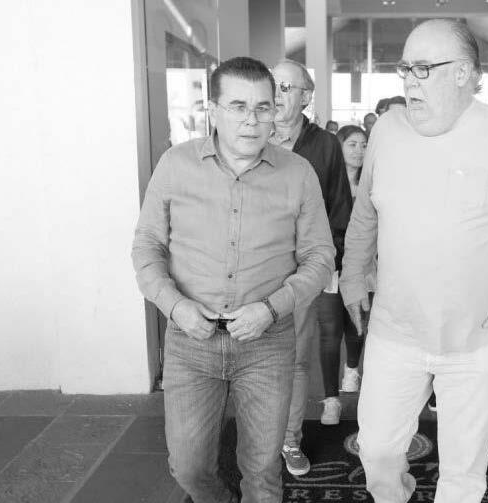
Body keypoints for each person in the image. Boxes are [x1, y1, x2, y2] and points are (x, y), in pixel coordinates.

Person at [340, 19, 488, 503]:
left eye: (423, 68)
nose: (409, 81)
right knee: (377, 451)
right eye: (405, 68)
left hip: (475, 341)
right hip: (394, 332)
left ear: (464, 73)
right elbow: (365, 213)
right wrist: (353, 278)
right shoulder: (388, 129)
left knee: (464, 474)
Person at [131, 56, 335, 502]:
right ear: (213, 110)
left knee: (262, 471)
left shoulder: (298, 173)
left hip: (267, 342)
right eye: (238, 107)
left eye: (263, 107)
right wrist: (175, 306)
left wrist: (271, 309)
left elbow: (320, 258)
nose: (252, 120)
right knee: (187, 467)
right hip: (191, 341)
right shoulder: (176, 165)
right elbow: (147, 247)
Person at [270, 59, 354, 477]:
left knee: (296, 359)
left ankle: (289, 440)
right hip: (254, 269)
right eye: (273, 84)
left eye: (287, 87)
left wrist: (327, 264)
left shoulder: (324, 145)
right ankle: (258, 439)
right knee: (255, 360)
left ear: (306, 97)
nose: (277, 94)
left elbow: (340, 207)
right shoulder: (251, 135)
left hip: (302, 272)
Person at [315, 125, 376, 425]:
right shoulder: (325, 184)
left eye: (364, 144)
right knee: (329, 331)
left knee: (357, 323)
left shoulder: (372, 184)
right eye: (352, 144)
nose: (359, 150)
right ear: (338, 148)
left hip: (364, 266)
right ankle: (330, 400)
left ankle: (352, 371)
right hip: (331, 265)